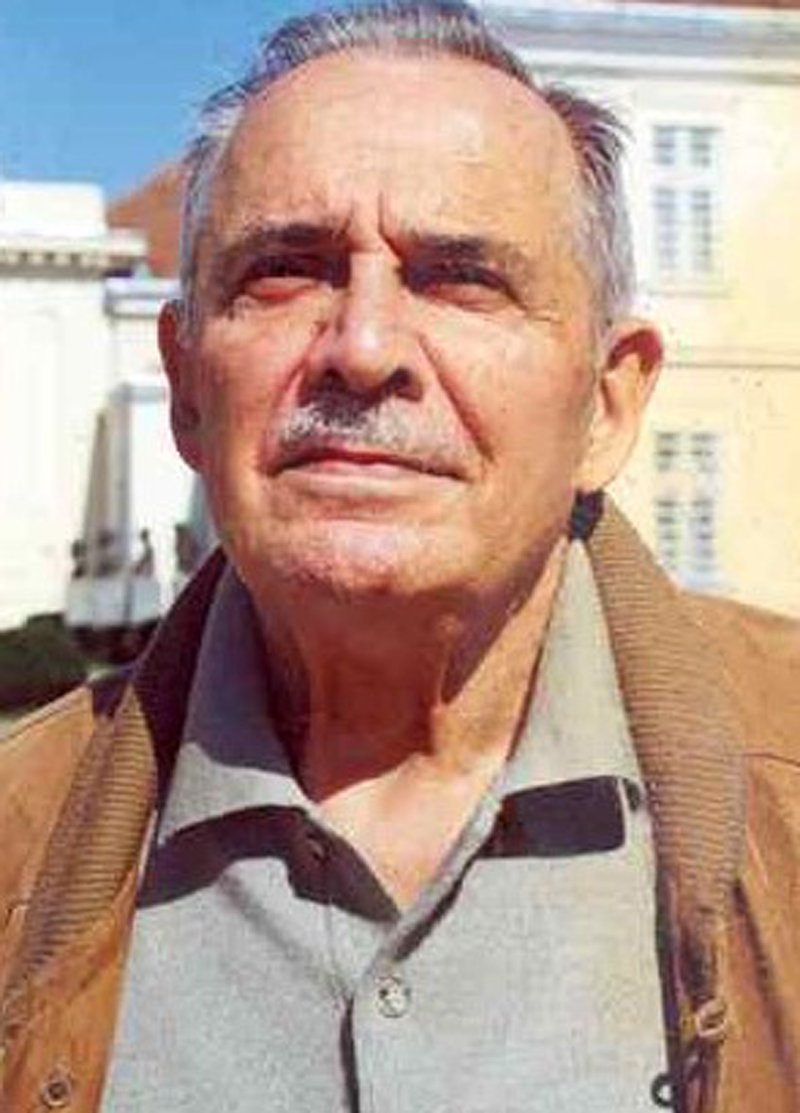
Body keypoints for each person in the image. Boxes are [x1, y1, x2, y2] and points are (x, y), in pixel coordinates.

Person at [1, 3, 799, 1110]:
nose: (364, 348)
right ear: (185, 389)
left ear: (608, 406)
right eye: (286, 270)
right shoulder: (19, 839)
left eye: (463, 278)